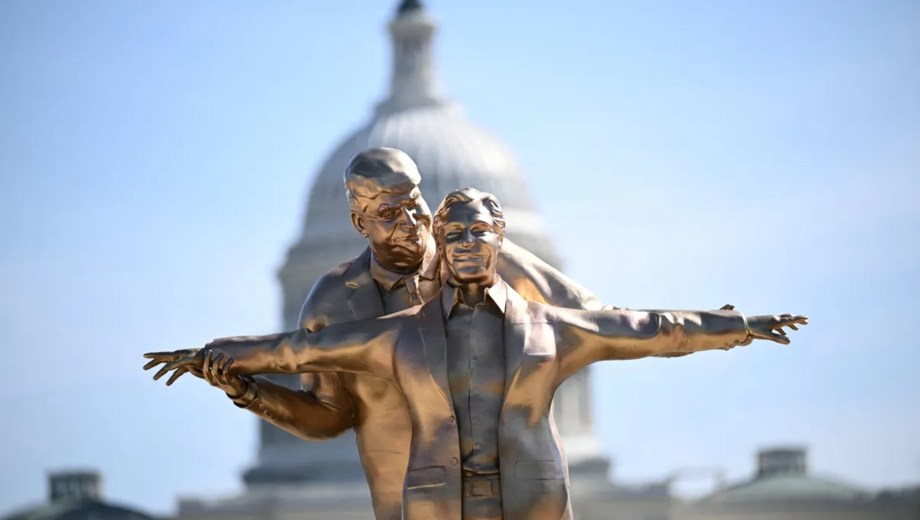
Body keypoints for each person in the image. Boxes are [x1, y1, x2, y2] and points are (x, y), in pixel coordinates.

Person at [146, 188, 806, 520]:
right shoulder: (399, 333)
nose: (464, 242)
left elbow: (653, 327)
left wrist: (737, 325)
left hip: (531, 497)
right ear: (437, 240)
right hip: (436, 501)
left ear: (502, 240)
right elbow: (299, 348)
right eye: (452, 231)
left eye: (478, 231)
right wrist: (215, 355)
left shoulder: (554, 326)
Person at [147, 147, 610, 520]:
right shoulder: (333, 302)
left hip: (516, 501)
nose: (411, 224)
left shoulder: (481, 258)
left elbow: (596, 320)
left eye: (415, 205)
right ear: (359, 223)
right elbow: (328, 416)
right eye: (390, 213)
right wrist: (246, 391)